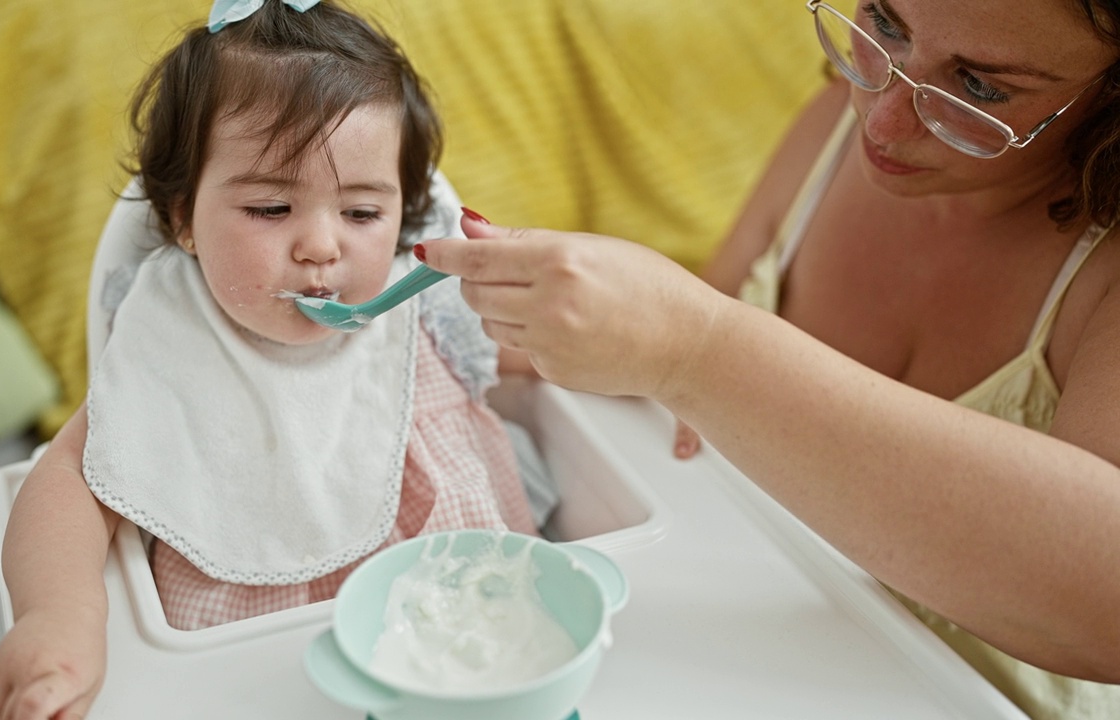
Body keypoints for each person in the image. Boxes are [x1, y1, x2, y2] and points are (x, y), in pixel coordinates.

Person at [417, 1, 1120, 718]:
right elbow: (704, 327)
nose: (881, 120)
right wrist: (495, 322)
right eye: (884, 23)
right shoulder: (837, 126)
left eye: (982, 90)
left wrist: (701, 351)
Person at [0, 2, 550, 718]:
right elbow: (68, 480)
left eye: (363, 214)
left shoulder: (422, 303)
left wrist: (661, 383)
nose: (321, 245)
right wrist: (59, 618)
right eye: (272, 209)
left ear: (404, 214)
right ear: (184, 218)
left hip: (462, 640)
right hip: (245, 678)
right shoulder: (174, 331)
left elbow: (549, 349)